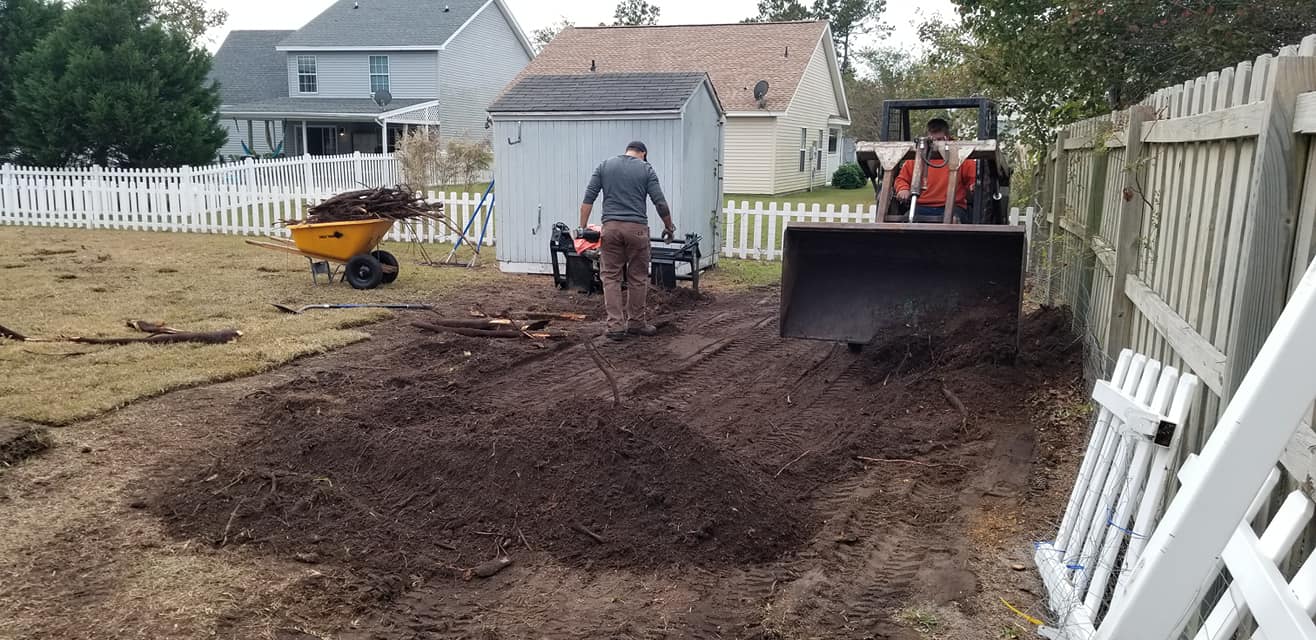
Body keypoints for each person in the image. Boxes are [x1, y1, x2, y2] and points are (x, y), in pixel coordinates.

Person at [579, 141, 677, 340]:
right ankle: (635, 323)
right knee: (638, 277)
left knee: (611, 277)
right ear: (643, 153)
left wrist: (583, 227)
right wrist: (668, 226)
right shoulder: (646, 169)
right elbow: (659, 202)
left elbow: (588, 199)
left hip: (611, 228)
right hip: (637, 230)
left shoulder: (604, 166)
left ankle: (615, 326)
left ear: (627, 151)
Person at [895, 118, 977, 223]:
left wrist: (973, 186)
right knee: (906, 221)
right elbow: (902, 179)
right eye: (933, 141)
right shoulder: (917, 157)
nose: (936, 145)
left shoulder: (961, 155)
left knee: (953, 221)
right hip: (921, 206)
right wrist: (903, 189)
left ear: (947, 138)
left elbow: (973, 179)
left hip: (953, 206)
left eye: (939, 140)